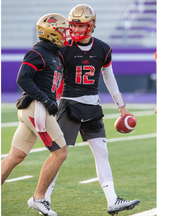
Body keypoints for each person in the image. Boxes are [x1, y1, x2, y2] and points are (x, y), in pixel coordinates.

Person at [41, 4, 140, 216]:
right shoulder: (64, 48)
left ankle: (113, 200)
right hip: (69, 105)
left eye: (81, 26)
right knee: (58, 155)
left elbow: (109, 77)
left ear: (91, 25)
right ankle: (44, 200)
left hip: (93, 106)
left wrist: (121, 106)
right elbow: (53, 76)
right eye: (73, 26)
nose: (75, 30)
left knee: (102, 153)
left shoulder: (103, 49)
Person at [1, 13, 70, 215]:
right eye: (62, 31)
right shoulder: (38, 52)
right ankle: (39, 198)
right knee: (60, 152)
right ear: (52, 32)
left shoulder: (55, 54)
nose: (65, 34)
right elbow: (23, 78)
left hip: (32, 111)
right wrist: (46, 100)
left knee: (16, 155)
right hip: (37, 109)